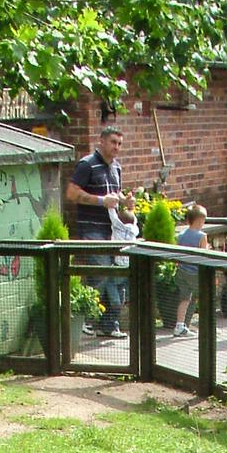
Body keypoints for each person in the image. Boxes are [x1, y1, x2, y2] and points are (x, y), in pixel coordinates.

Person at [65, 125, 129, 336]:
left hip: (113, 231)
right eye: (113, 142)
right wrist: (101, 201)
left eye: (120, 143)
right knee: (99, 274)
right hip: (92, 229)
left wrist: (125, 201)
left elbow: (116, 193)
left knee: (116, 276)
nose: (116, 147)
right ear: (101, 141)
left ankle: (108, 325)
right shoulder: (87, 164)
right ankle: (88, 320)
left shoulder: (116, 167)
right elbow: (72, 193)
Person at [173, 203, 208, 337]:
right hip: (195, 272)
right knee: (205, 297)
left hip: (182, 270)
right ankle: (207, 326)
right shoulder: (202, 236)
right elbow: (204, 255)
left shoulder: (181, 235)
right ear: (200, 220)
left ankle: (180, 325)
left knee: (185, 298)